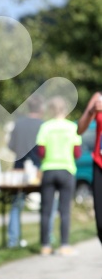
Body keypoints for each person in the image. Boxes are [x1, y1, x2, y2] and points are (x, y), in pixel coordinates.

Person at [36, 96, 82, 255]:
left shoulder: (46, 127)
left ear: (51, 110)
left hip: (49, 169)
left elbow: (41, 151)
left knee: (46, 211)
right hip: (67, 169)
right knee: (64, 210)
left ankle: (45, 246)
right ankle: (64, 245)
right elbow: (77, 152)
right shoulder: (72, 127)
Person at [7, 95, 44, 248]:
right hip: (38, 170)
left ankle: (12, 241)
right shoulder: (44, 125)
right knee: (46, 205)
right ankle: (47, 238)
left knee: (16, 205)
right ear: (41, 108)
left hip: (19, 169)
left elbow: (11, 146)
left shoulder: (18, 124)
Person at [77, 91, 102, 245]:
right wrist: (92, 111)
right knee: (101, 223)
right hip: (99, 163)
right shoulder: (98, 97)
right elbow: (80, 129)